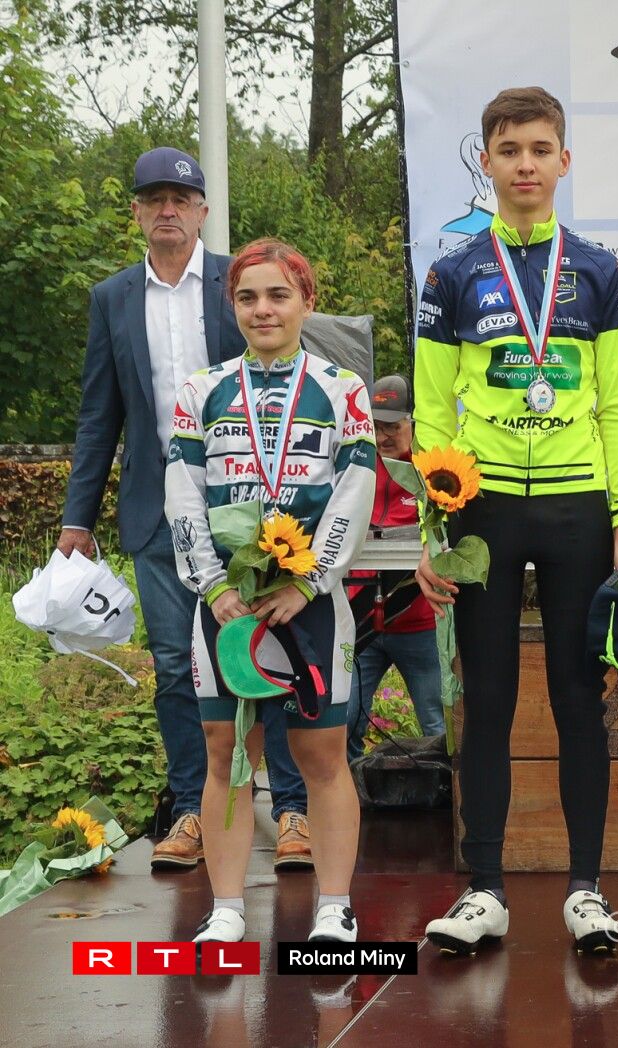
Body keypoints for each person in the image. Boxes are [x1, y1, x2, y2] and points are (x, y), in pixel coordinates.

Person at [413, 86, 618, 956]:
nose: (525, 165)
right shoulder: (451, 272)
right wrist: (434, 530)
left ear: (564, 160)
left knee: (578, 700)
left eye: (540, 149)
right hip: (482, 508)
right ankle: (485, 890)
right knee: (487, 700)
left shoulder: (598, 270)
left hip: (577, 506)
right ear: (486, 161)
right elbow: (432, 410)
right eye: (509, 150)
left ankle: (586, 890)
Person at [57, 147, 313, 873]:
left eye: (180, 198)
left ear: (202, 210)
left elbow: (283, 373)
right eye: (153, 199)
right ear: (137, 212)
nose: (167, 210)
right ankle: (193, 811)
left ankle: (291, 811)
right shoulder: (111, 298)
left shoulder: (242, 284)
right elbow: (98, 415)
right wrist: (77, 518)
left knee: (272, 657)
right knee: (176, 666)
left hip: (251, 508)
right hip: (156, 515)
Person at [165, 237, 376, 945]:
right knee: (225, 752)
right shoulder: (201, 390)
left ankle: (334, 909)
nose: (263, 309)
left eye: (278, 295)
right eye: (248, 297)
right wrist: (214, 586)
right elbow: (183, 492)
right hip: (225, 601)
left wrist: (310, 582)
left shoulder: (343, 390)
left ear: (306, 302)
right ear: (233, 306)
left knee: (321, 755)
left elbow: (355, 489)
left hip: (307, 601)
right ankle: (227, 910)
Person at [345, 375, 443, 761]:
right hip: (361, 621)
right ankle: (351, 794)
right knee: (344, 720)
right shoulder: (356, 466)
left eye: (392, 426)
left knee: (438, 723)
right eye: (376, 426)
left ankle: (448, 794)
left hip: (420, 623)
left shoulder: (434, 472)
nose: (383, 436)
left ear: (413, 423)